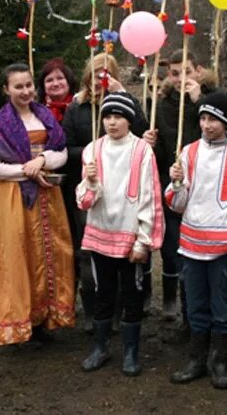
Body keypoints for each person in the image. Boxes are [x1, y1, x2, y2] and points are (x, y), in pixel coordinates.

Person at [166, 92, 227, 389]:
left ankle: (221, 360)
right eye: (203, 118)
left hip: (225, 249)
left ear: (226, 121)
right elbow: (177, 204)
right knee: (196, 305)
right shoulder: (188, 152)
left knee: (222, 306)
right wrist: (175, 183)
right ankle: (197, 358)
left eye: (214, 119)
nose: (207, 125)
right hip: (193, 245)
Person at [0, 63, 76, 345]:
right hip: (15, 198)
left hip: (48, 197)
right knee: (19, 254)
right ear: (6, 89)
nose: (26, 91)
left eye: (29, 85)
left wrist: (42, 162)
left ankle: (44, 318)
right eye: (18, 86)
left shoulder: (44, 115)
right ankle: (19, 321)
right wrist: (26, 170)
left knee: (49, 253)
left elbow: (61, 151)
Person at [75, 93, 164, 376]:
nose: (112, 123)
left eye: (118, 117)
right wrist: (90, 182)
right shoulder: (93, 150)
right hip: (102, 233)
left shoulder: (141, 151)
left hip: (130, 234)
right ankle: (100, 347)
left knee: (132, 294)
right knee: (103, 293)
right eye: (107, 116)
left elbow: (149, 197)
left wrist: (143, 239)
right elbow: (85, 201)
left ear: (129, 119)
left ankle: (130, 351)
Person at [62, 54, 147, 331]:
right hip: (90, 188)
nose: (100, 79)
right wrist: (90, 158)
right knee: (88, 252)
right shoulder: (77, 106)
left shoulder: (123, 104)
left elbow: (142, 131)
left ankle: (122, 310)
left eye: (106, 74)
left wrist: (124, 96)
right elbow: (67, 145)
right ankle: (93, 310)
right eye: (96, 73)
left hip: (122, 192)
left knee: (122, 253)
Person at [143, 50, 226, 326]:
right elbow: (160, 156)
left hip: (207, 191)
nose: (180, 78)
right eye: (175, 73)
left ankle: (199, 314)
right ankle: (173, 302)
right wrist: (150, 146)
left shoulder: (213, 97)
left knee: (201, 256)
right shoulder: (163, 104)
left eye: (186, 71)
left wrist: (198, 101)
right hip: (174, 189)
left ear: (198, 70)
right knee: (172, 250)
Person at [37, 57, 78, 123]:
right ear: (43, 86)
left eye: (60, 78)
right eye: (49, 80)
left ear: (69, 82)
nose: (55, 84)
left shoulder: (80, 107)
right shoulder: (36, 112)